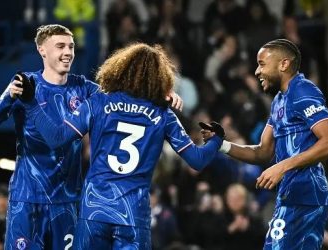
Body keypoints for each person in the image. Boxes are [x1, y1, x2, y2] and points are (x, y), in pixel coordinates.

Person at [0, 24, 183, 249]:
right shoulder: (25, 85)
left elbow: (128, 97)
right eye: (60, 46)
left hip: (68, 200)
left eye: (71, 46)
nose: (67, 52)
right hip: (27, 198)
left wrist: (158, 90)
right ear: (41, 50)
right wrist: (8, 99)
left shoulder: (87, 90)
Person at [22, 42, 224, 249]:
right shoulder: (164, 115)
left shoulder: (97, 102)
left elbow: (56, 138)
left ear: (119, 68)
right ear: (160, 78)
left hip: (95, 209)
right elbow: (197, 161)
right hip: (133, 215)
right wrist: (216, 139)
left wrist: (31, 104)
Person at [201, 39, 328, 249]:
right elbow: (263, 152)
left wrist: (283, 166)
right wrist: (222, 144)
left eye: (262, 64)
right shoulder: (279, 101)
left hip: (306, 196)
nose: (256, 71)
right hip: (291, 196)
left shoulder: (303, 91)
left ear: (283, 64)